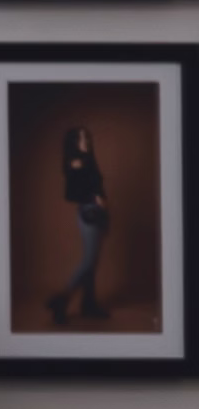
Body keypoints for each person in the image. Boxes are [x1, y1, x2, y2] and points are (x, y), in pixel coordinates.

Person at [52, 110, 121, 328]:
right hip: (88, 212)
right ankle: (60, 302)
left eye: (86, 137)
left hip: (98, 213)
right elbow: (76, 188)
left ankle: (88, 304)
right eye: (80, 138)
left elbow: (98, 186)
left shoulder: (90, 160)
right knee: (88, 261)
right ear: (74, 142)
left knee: (93, 263)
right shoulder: (76, 161)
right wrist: (95, 197)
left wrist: (103, 204)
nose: (85, 141)